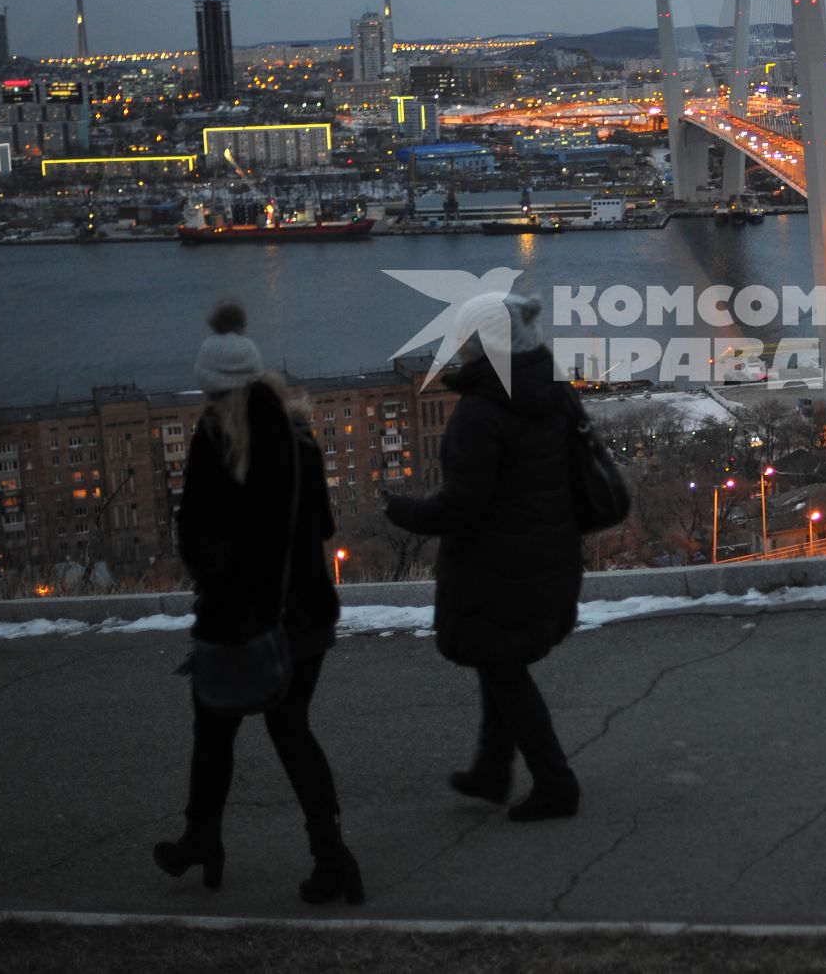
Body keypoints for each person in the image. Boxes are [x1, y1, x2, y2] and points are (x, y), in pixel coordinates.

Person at [153, 300, 364, 904]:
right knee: (292, 730)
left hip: (240, 620)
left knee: (213, 730)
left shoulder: (214, 444)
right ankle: (332, 857)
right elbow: (321, 524)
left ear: (216, 391)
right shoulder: (300, 441)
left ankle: (202, 840)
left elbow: (194, 538)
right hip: (306, 616)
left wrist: (225, 576)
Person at [385, 292, 584, 821]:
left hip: (499, 562)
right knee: (499, 658)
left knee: (502, 666)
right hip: (550, 549)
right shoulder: (553, 390)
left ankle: (555, 782)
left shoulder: (481, 412)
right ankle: (492, 769)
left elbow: (463, 504)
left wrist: (405, 512)